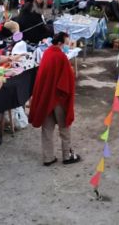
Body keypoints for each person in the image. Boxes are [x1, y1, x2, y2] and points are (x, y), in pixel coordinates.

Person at [29, 32, 81, 166]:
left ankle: (48, 157)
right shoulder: (60, 57)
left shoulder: (47, 53)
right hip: (59, 98)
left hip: (46, 97)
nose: (68, 46)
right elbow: (67, 79)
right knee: (64, 128)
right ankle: (67, 155)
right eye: (66, 43)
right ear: (60, 43)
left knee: (47, 128)